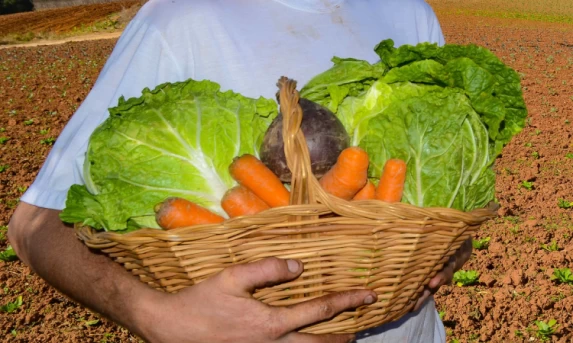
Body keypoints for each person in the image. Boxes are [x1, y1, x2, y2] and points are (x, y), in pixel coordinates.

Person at [8, 0, 473, 342]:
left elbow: (433, 199)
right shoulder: (179, 19)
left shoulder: (408, 12)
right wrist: (155, 316)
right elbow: (35, 224)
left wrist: (450, 246)